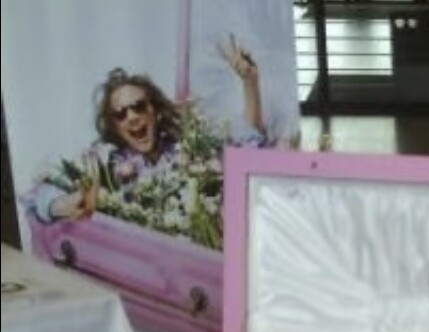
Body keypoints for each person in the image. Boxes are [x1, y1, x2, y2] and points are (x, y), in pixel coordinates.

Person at [25, 35, 268, 225]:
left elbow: (249, 146)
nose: (132, 117)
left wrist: (250, 82)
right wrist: (59, 205)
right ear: (114, 126)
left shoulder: (188, 149)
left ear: (155, 110)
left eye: (139, 107)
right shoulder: (107, 163)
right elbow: (36, 193)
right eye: (120, 114)